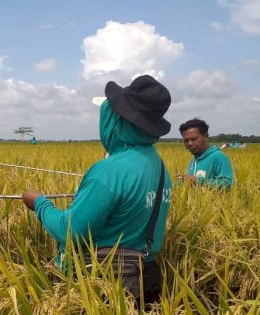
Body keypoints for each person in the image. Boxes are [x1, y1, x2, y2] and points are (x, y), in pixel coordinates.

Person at [22, 75, 172, 302]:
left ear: (115, 120)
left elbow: (69, 232)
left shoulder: (110, 170)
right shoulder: (158, 165)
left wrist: (39, 203)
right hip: (144, 277)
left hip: (104, 284)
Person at [177, 118, 234, 190]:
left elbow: (228, 184)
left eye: (194, 139)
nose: (190, 143)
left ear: (206, 136)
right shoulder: (193, 159)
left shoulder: (219, 157)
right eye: (186, 140)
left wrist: (197, 180)